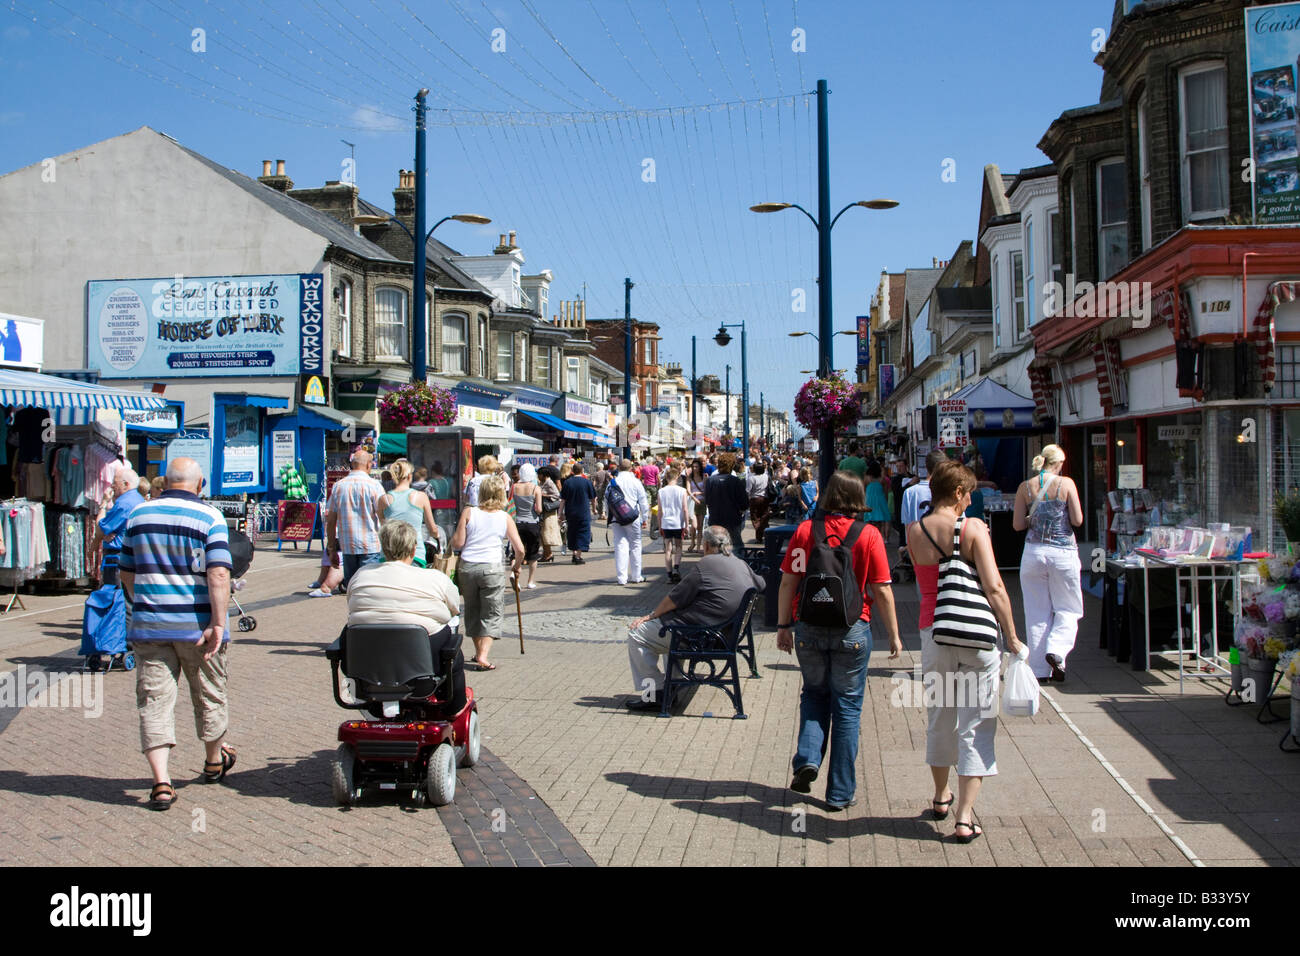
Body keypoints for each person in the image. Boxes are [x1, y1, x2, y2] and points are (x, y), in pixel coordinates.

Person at [908, 460, 1024, 842]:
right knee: (976, 722)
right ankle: (964, 817)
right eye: (968, 492)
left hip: (933, 631)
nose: (970, 499)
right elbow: (994, 589)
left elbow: (927, 583)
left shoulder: (914, 530)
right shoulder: (972, 528)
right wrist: (1011, 635)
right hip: (976, 635)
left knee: (940, 716)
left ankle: (941, 796)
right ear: (957, 492)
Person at [775, 471, 901, 811]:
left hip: (809, 628)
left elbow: (788, 582)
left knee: (814, 694)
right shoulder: (868, 535)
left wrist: (784, 624)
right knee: (846, 709)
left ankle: (807, 759)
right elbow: (882, 590)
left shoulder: (804, 532)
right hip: (852, 629)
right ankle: (840, 793)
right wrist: (893, 634)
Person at [117, 458, 235, 812]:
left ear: (165, 483)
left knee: (154, 702)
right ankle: (213, 762)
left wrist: (142, 603)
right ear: (199, 485)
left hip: (151, 625)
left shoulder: (139, 516)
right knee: (210, 694)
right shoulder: (210, 517)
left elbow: (126, 572)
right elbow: (218, 575)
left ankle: (161, 782)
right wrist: (218, 622)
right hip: (197, 626)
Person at [622, 525, 765, 711]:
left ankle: (653, 693)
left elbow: (674, 598)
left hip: (703, 637)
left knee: (638, 634)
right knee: (672, 628)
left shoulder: (705, 565)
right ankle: (672, 686)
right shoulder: (740, 563)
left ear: (705, 545)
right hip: (727, 635)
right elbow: (761, 584)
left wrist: (650, 616)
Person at [345, 520, 466, 713]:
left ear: (383, 547)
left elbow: (351, 606)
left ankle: (373, 705)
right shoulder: (435, 578)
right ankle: (453, 707)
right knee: (454, 652)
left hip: (368, 662)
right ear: (413, 549)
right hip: (422, 658)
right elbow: (454, 609)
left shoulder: (361, 576)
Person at [1013, 444, 1084, 683]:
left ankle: (1039, 671)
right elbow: (1077, 519)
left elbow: (1017, 526)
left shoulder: (1025, 487)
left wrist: (1033, 517)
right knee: (1068, 608)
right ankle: (1057, 650)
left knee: (1036, 611)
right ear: (1060, 463)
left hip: (1033, 552)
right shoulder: (1067, 484)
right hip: (1063, 552)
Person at [450, 474, 524, 671]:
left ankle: (478, 651)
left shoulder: (469, 512)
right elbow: (520, 549)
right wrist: (516, 566)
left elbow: (458, 543)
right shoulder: (504, 517)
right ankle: (483, 655)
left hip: (468, 567)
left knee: (473, 610)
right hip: (491, 568)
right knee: (492, 612)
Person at [326, 450, 385, 591]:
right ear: (369, 465)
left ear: (352, 464)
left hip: (347, 545)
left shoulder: (338, 486)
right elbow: (383, 517)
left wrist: (331, 548)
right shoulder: (374, 485)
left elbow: (331, 519)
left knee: (352, 588)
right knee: (369, 587)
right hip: (370, 544)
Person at [378, 459, 442, 563]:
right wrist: (437, 536)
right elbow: (432, 529)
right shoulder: (421, 497)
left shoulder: (383, 499)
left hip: (389, 554)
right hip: (414, 553)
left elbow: (383, 526)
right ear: (409, 476)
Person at [92, 463, 145, 587]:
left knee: (113, 595)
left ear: (126, 484)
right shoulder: (139, 500)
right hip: (135, 554)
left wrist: (104, 504)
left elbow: (100, 529)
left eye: (115, 482)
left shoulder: (123, 504)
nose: (112, 486)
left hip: (117, 556)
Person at [608, 458, 649, 585]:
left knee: (620, 545)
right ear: (631, 468)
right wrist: (645, 517)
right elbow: (643, 501)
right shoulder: (635, 481)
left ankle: (622, 578)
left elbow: (607, 499)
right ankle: (636, 576)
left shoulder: (613, 482)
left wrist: (608, 515)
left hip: (616, 517)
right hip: (633, 517)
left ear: (619, 468)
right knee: (636, 545)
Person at [704, 452, 748, 552]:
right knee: (736, 544)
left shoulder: (711, 481)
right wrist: (741, 510)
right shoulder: (736, 481)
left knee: (716, 544)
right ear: (732, 465)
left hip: (715, 518)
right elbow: (744, 502)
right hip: (732, 518)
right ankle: (736, 564)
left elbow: (707, 500)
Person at [656, 466, 692, 582]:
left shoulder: (661, 491)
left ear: (666, 477)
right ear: (677, 477)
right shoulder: (682, 491)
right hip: (678, 523)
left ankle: (669, 574)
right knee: (679, 546)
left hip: (666, 523)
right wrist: (687, 525)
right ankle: (676, 567)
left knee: (668, 549)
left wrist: (659, 524)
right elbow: (685, 509)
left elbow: (659, 510)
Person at [512, 463, 543, 588]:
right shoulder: (536, 488)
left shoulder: (514, 487)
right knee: (533, 554)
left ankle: (514, 573)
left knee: (516, 551)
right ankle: (530, 581)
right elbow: (539, 509)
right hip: (532, 523)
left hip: (517, 523)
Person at [561, 461, 595, 564]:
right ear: (582, 471)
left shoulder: (567, 482)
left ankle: (574, 553)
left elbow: (563, 500)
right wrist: (594, 509)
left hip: (570, 511)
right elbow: (593, 498)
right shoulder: (587, 482)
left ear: (572, 471)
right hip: (583, 511)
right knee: (583, 532)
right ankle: (578, 555)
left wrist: (559, 513)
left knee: (572, 532)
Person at [746, 460, 772, 545]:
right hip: (765, 498)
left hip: (754, 499)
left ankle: (759, 536)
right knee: (764, 516)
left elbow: (748, 491)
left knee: (755, 518)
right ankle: (765, 532)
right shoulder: (766, 476)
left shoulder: (751, 478)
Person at [539, 467, 562, 562]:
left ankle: (548, 554)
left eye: (539, 474)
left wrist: (545, 495)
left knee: (546, 532)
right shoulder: (543, 482)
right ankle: (546, 553)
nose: (538, 476)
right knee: (543, 533)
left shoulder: (549, 483)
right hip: (544, 511)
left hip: (549, 511)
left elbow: (557, 495)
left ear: (544, 475)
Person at [864, 461, 891, 538]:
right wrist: (886, 501)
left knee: (869, 521)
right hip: (880, 501)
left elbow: (864, 490)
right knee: (882, 521)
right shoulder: (882, 480)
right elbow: (886, 492)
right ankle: (882, 538)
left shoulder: (866, 479)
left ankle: (869, 537)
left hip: (869, 501)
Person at [686, 459, 708, 553]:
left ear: (700, 467)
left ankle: (698, 547)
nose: (694, 468)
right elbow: (688, 490)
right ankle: (692, 543)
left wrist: (699, 493)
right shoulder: (689, 478)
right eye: (693, 467)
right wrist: (694, 498)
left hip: (702, 502)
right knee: (694, 526)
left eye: (696, 467)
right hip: (692, 503)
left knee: (700, 526)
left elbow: (707, 491)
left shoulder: (704, 477)